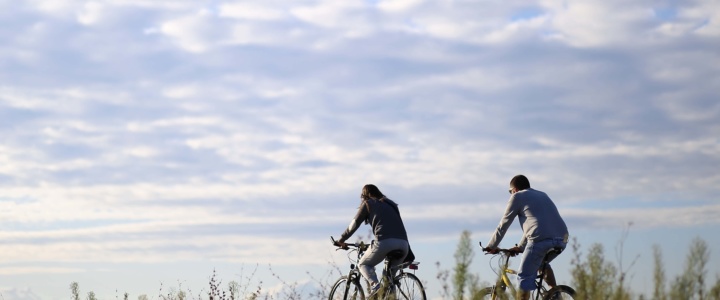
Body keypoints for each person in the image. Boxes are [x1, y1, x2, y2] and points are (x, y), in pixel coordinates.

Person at [484, 175, 569, 300]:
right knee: (540, 264)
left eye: (510, 191)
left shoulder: (517, 197)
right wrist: (520, 247)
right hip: (562, 239)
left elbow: (503, 225)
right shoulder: (542, 195)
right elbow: (535, 224)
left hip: (540, 241)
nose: (510, 194)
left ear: (515, 189)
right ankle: (555, 294)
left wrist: (491, 246)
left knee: (524, 277)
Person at [334, 184, 409, 296]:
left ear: (364, 196)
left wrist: (341, 240)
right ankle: (390, 297)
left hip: (384, 242)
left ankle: (375, 286)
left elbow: (354, 224)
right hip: (404, 244)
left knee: (362, 264)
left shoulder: (368, 203)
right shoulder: (392, 204)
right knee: (389, 280)